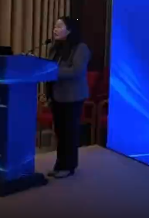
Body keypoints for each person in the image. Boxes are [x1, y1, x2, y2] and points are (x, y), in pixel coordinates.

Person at [47, 16, 90, 178]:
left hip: (73, 96)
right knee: (60, 132)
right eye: (55, 26)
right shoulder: (55, 48)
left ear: (70, 30)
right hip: (56, 95)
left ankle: (69, 166)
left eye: (59, 26)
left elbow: (76, 71)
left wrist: (52, 71)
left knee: (69, 132)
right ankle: (59, 164)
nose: (55, 29)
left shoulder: (81, 48)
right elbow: (48, 67)